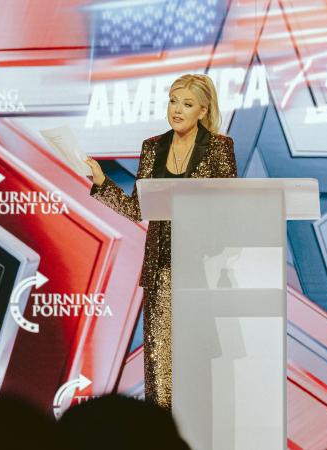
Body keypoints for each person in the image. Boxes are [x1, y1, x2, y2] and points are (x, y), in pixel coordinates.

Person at [84, 74, 237, 410]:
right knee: (160, 371)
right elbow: (137, 208)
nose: (177, 110)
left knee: (196, 365)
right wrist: (102, 182)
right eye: (172, 100)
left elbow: (229, 209)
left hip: (201, 270)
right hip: (161, 273)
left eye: (187, 103)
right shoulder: (152, 147)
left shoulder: (218, 148)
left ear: (203, 109)